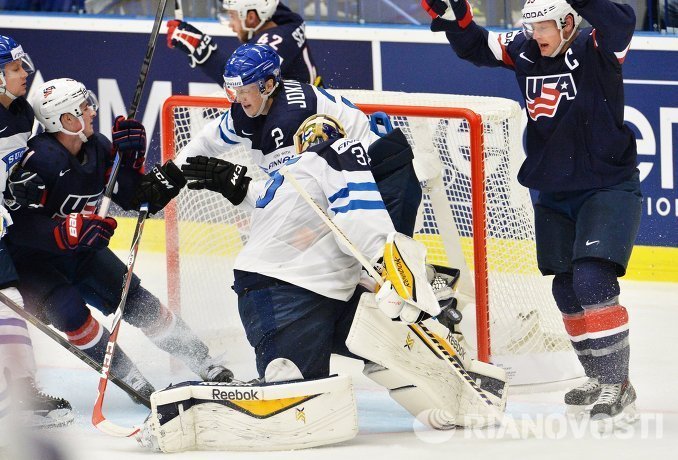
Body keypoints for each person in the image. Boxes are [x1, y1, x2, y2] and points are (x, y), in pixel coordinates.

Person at [134, 115, 506, 453]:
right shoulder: (338, 151)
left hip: (311, 291)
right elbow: (359, 213)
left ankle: (451, 393)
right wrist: (391, 265)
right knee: (296, 399)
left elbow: (272, 204)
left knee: (388, 334)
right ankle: (187, 408)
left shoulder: (287, 177)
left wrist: (238, 183)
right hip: (284, 293)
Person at [421, 0, 641, 423]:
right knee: (566, 289)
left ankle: (619, 383)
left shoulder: (598, 46)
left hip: (607, 185)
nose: (535, 35)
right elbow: (478, 47)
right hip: (555, 188)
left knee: (592, 279)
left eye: (544, 27)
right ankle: (598, 376)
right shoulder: (524, 48)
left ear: (568, 23)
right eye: (531, 26)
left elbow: (622, 19)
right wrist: (457, 20)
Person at [4, 77, 234, 404]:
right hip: (33, 264)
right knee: (70, 313)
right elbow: (17, 225)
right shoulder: (39, 160)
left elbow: (140, 201)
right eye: (83, 107)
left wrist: (131, 164)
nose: (92, 111)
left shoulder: (97, 147)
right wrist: (64, 232)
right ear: (65, 119)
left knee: (140, 304)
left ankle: (203, 360)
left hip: (81, 252)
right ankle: (130, 379)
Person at [176, 42, 423, 237]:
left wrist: (239, 187)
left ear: (267, 85)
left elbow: (290, 195)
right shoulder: (252, 107)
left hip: (384, 180)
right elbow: (208, 141)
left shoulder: (289, 121)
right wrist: (173, 174)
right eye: (234, 91)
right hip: (351, 183)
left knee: (387, 269)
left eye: (244, 90)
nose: (239, 99)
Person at [0, 34, 73, 428]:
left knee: (9, 299)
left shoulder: (21, 112)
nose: (24, 73)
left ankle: (22, 393)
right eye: (14, 69)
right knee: (8, 299)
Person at [167, 0, 319, 86]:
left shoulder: (270, 44)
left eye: (232, 16)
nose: (230, 24)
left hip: (301, 122)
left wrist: (200, 47)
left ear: (251, 18)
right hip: (311, 105)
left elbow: (239, 82)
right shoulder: (290, 22)